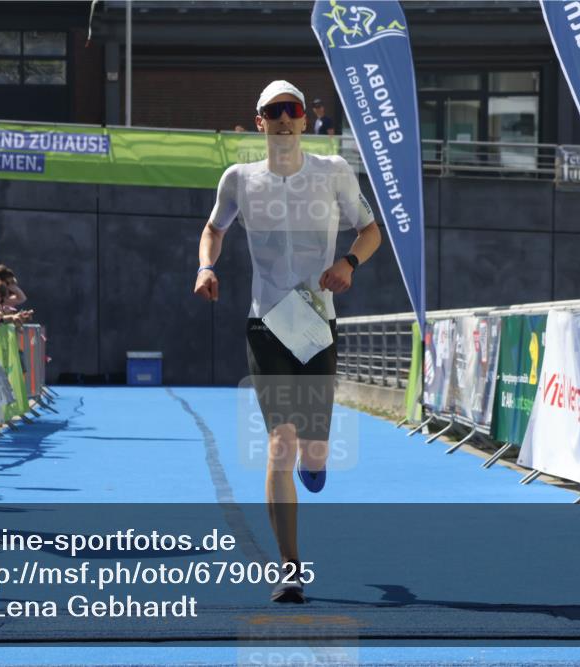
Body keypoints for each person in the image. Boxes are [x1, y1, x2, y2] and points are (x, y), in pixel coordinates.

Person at [193, 80, 381, 603]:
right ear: (259, 122)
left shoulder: (333, 171)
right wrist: (206, 266)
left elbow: (370, 231)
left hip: (317, 324)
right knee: (281, 441)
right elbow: (213, 228)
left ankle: (314, 462)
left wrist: (348, 262)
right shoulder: (239, 178)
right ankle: (291, 568)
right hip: (268, 323)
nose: (282, 118)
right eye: (271, 111)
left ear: (304, 120)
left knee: (314, 454)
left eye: (291, 110)